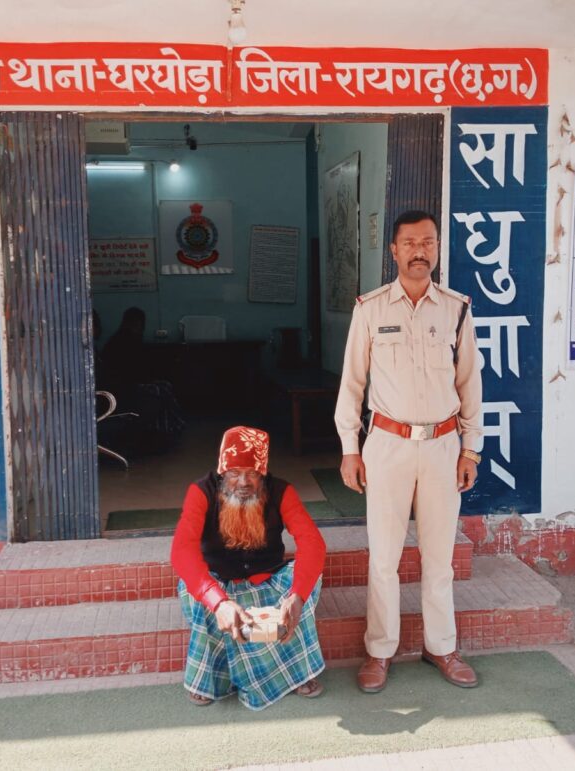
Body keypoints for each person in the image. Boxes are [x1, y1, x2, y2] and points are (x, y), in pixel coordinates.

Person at [334, 210, 484, 693]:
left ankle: (442, 647)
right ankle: (380, 651)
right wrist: (350, 449)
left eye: (428, 242)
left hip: (442, 447)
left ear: (437, 248)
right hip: (387, 446)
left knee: (439, 558)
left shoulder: (456, 309)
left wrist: (471, 450)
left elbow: (470, 384)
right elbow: (352, 385)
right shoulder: (370, 309)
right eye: (411, 243)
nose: (420, 251)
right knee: (384, 558)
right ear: (394, 250)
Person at [171, 426, 327, 710]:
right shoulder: (201, 491)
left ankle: (294, 673)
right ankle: (219, 679)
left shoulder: (282, 491)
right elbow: (182, 550)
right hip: (219, 585)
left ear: (263, 473)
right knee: (192, 589)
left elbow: (312, 543)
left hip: (266, 581)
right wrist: (218, 602)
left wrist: (297, 595)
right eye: (234, 473)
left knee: (307, 581)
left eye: (252, 473)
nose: (243, 482)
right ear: (222, 471)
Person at [96, 306, 184, 454]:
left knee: (163, 387)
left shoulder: (120, 339)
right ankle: (168, 429)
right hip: (121, 389)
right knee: (161, 390)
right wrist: (149, 380)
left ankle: (168, 429)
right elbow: (133, 372)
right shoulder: (126, 341)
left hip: (121, 386)